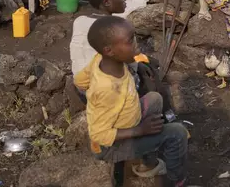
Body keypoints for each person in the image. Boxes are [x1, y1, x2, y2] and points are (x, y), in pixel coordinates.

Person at [74, 16, 189, 186]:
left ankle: (147, 163)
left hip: (128, 122)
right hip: (111, 147)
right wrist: (140, 130)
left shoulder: (101, 60)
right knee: (177, 133)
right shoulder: (108, 89)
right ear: (109, 51)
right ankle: (175, 181)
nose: (136, 44)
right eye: (130, 41)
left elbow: (79, 81)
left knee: (155, 99)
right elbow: (99, 135)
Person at [69, 0, 175, 118]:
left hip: (81, 89)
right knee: (149, 72)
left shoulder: (79, 21)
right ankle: (164, 116)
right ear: (107, 2)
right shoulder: (118, 27)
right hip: (106, 95)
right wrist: (142, 68)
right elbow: (131, 62)